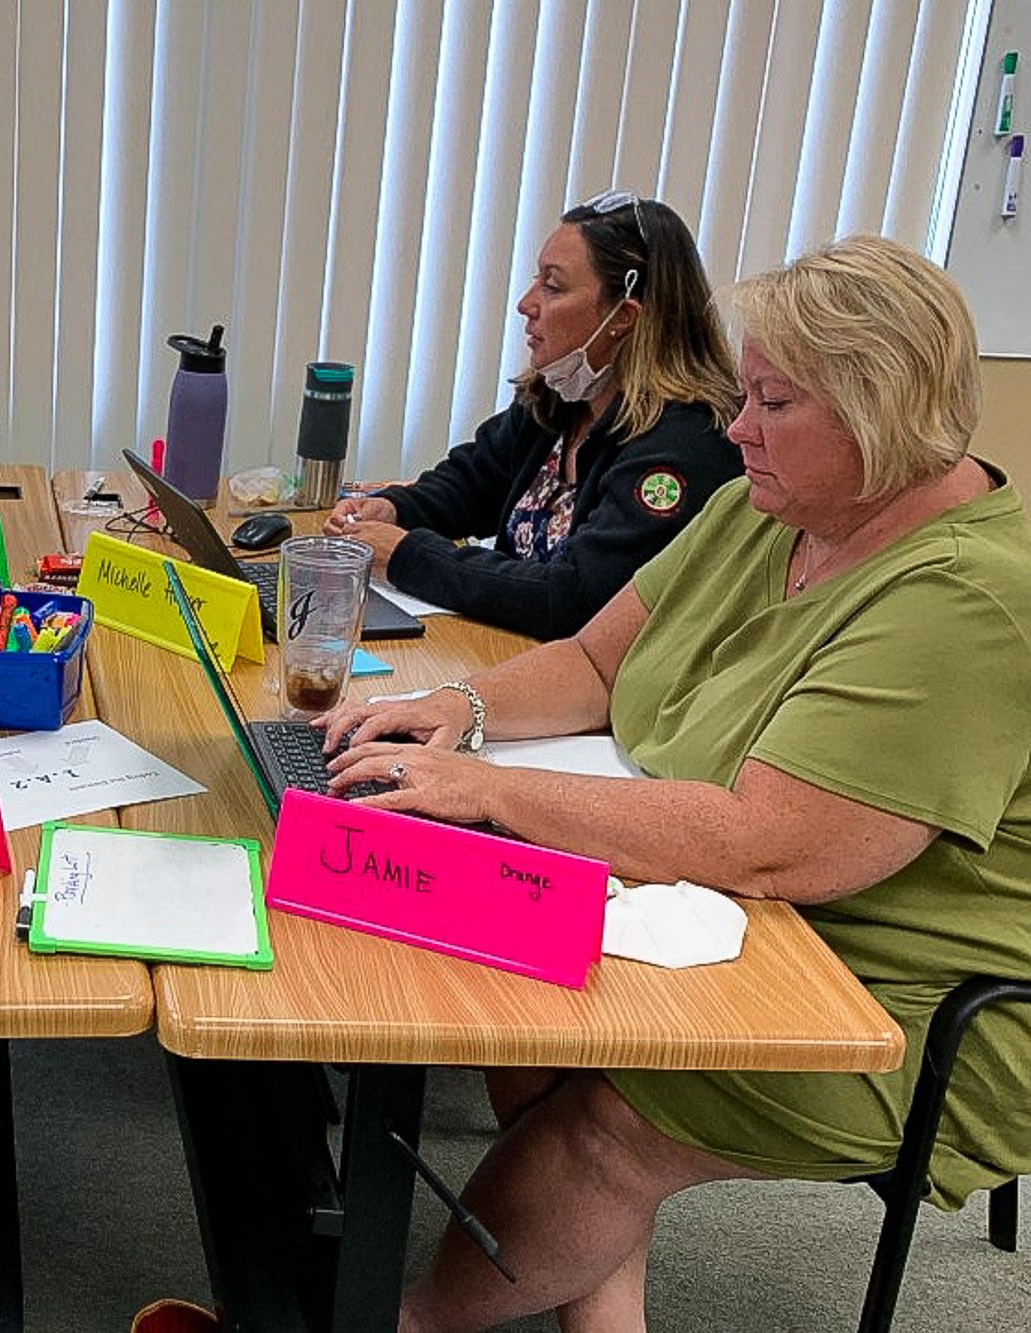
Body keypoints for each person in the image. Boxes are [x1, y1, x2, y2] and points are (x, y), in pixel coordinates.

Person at [313, 236, 1031, 1330]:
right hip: (722, 907)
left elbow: (769, 845)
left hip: (895, 1001)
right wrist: (463, 711)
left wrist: (490, 792)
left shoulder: (965, 602)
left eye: (770, 401)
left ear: (878, 417)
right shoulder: (775, 500)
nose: (733, 427)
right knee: (497, 989)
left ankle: (407, 1321)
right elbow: (600, 659)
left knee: (601, 1120)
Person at [323, 192, 742, 640]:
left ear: (623, 316)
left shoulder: (684, 446)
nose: (526, 303)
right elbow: (474, 482)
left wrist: (408, 555)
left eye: (553, 286)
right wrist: (395, 508)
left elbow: (574, 598)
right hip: (510, 656)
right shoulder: (561, 396)